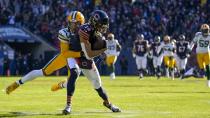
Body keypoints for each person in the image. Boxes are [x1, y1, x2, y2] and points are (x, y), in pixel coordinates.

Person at [52, 10, 121, 114]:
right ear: (94, 22)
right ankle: (68, 105)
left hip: (85, 57)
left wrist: (101, 49)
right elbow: (89, 54)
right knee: (74, 73)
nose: (103, 27)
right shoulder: (84, 31)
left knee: (97, 84)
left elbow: (89, 54)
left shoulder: (96, 33)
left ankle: (108, 103)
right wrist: (103, 49)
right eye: (101, 25)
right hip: (74, 55)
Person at [6, 11, 85, 94]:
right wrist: (80, 54)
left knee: (71, 82)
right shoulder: (64, 33)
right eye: (71, 23)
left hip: (77, 59)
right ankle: (17, 83)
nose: (73, 26)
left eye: (76, 24)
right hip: (66, 56)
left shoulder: (86, 33)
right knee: (43, 72)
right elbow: (65, 53)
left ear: (81, 23)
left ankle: (60, 85)